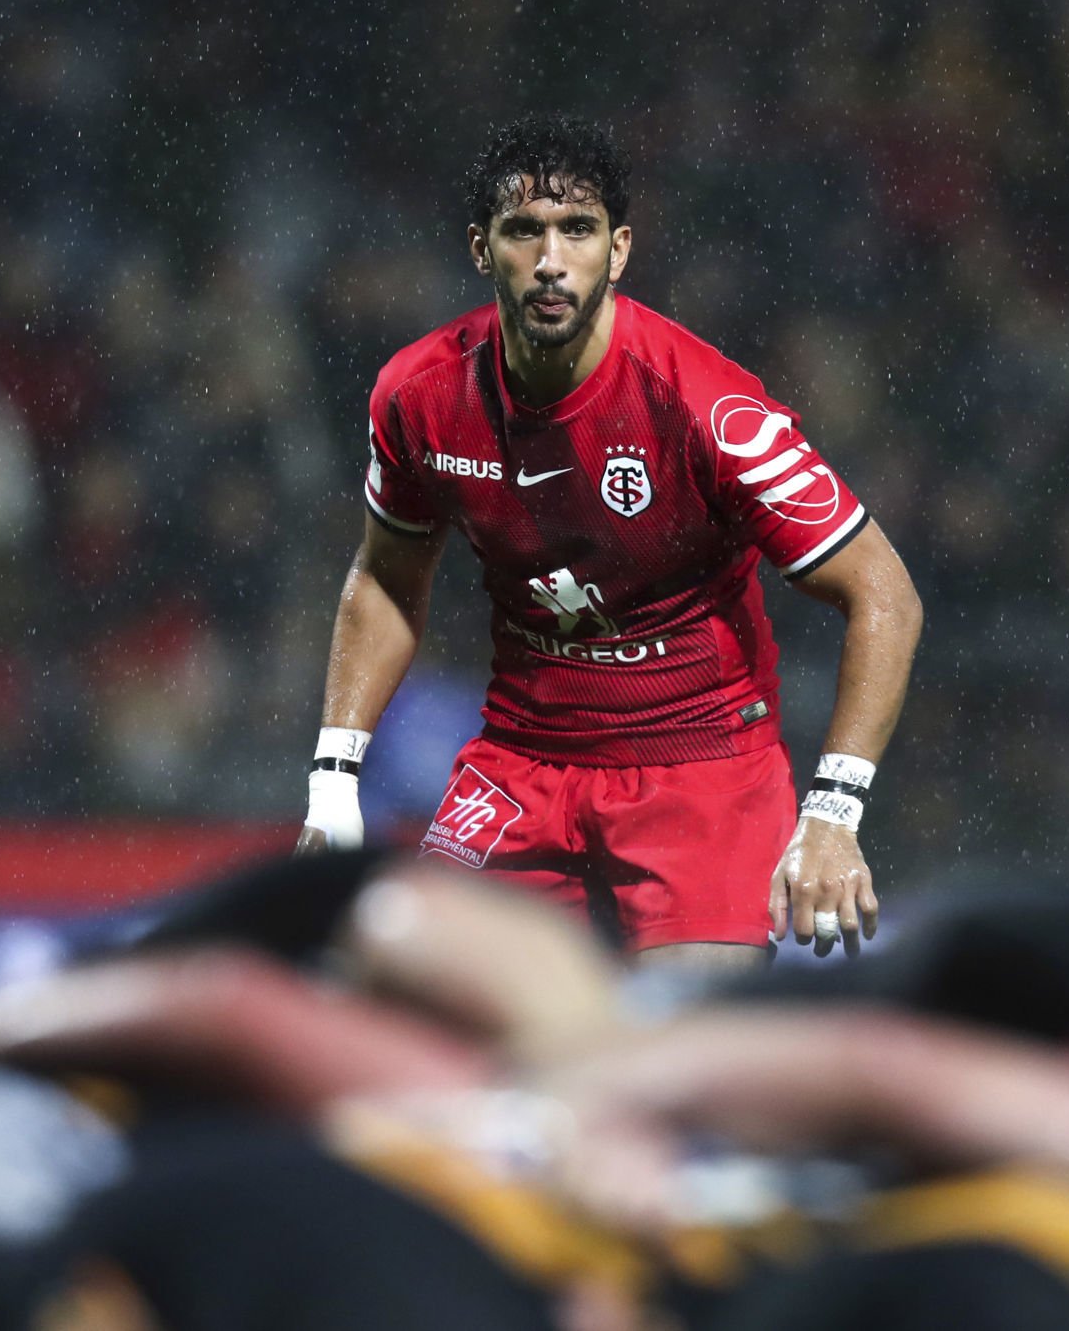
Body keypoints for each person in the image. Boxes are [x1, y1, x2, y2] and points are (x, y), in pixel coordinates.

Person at [295, 115, 921, 967]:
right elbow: (385, 577)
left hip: (701, 773)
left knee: (679, 1058)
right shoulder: (419, 394)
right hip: (521, 762)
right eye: (523, 231)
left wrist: (834, 812)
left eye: (577, 230)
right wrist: (333, 783)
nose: (550, 259)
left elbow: (882, 591)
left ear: (618, 250)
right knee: (405, 1007)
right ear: (481, 249)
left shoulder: (704, 406)